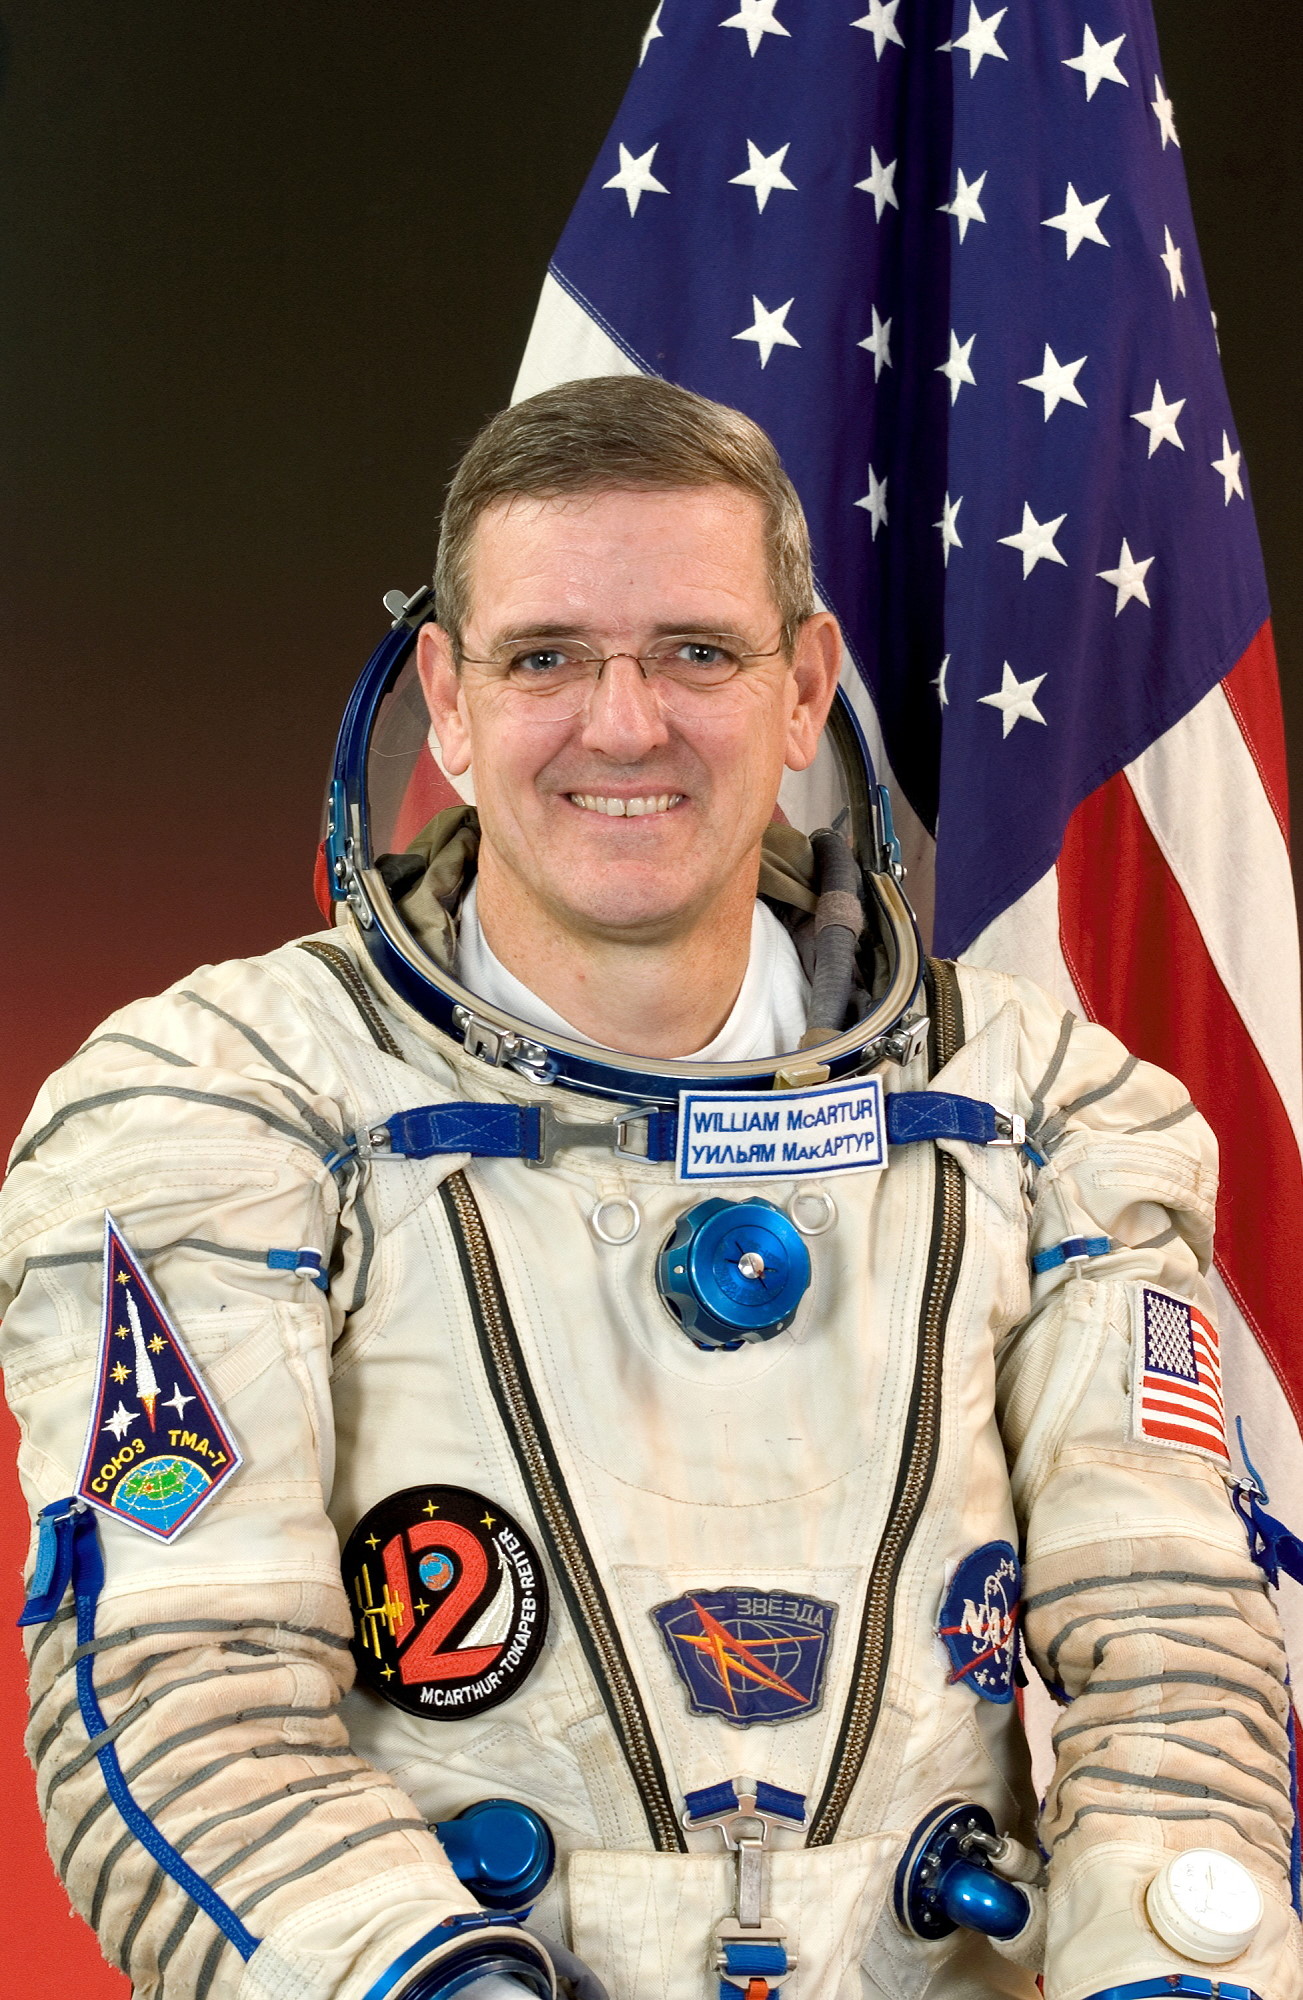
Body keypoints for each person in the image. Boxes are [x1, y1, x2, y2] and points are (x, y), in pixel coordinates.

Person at [2, 375, 1299, 2000]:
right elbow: (183, 1689)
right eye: (546, 658)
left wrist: (1175, 1953)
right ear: (449, 701)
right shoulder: (221, 1109)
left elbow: (1177, 1646)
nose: (624, 726)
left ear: (804, 688)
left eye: (696, 652)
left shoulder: (1042, 1115)